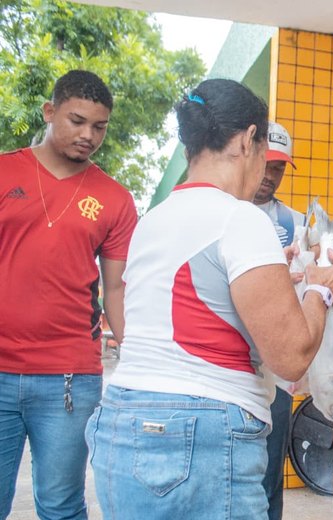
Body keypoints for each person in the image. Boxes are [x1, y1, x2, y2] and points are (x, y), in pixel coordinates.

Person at [85, 78, 333, 518]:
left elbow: (197, 299)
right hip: (201, 431)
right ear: (249, 140)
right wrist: (321, 289)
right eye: (265, 153)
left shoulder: (153, 220)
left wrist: (274, 275)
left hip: (122, 418)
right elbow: (289, 356)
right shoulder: (240, 219)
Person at [0, 70, 137, 520]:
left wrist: (135, 353)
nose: (88, 136)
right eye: (77, 121)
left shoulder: (114, 198)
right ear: (49, 111)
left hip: (69, 379)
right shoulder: (5, 172)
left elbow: (116, 286)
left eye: (99, 126)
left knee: (61, 506)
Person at [254, 120, 304, 520]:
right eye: (268, 162)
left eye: (280, 167)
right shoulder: (221, 212)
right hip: (226, 363)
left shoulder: (296, 224)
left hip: (275, 368)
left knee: (270, 469)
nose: (272, 175)